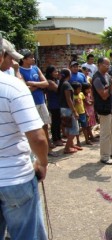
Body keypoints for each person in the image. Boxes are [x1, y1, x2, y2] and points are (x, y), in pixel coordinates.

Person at [0, 35, 49, 240]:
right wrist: (42, 163)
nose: (13, 62)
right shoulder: (12, 86)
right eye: (9, 57)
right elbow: (37, 138)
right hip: (14, 178)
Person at [19, 49, 56, 156]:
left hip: (41, 101)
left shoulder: (36, 68)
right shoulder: (19, 71)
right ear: (24, 59)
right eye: (30, 57)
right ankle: (36, 152)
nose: (33, 59)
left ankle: (47, 149)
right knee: (33, 128)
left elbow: (46, 83)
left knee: (45, 126)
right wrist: (38, 85)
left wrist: (32, 84)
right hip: (30, 104)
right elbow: (24, 89)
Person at [92, 57, 112, 165]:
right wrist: (111, 85)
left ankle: (111, 152)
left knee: (111, 131)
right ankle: (104, 156)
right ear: (99, 64)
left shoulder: (107, 75)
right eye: (106, 64)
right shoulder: (97, 78)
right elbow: (103, 95)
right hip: (103, 108)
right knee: (105, 133)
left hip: (110, 106)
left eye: (109, 64)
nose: (108, 66)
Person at [58, 68, 81, 154]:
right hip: (68, 109)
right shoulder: (66, 84)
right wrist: (74, 111)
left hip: (63, 109)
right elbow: (69, 99)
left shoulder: (62, 84)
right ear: (69, 75)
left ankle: (71, 144)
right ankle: (67, 148)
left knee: (68, 127)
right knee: (74, 129)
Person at [45, 65, 64, 147]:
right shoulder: (50, 82)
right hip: (53, 104)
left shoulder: (55, 81)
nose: (56, 73)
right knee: (55, 122)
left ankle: (59, 137)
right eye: (55, 72)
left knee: (58, 121)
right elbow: (59, 90)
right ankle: (55, 139)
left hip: (58, 104)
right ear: (50, 73)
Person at [72, 82, 91, 146]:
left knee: (84, 127)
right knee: (77, 128)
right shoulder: (72, 96)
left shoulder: (81, 94)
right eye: (78, 89)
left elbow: (84, 103)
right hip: (76, 113)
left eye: (80, 89)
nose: (80, 90)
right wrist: (75, 101)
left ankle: (87, 140)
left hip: (82, 112)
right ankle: (78, 141)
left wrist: (86, 112)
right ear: (74, 89)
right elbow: (71, 105)